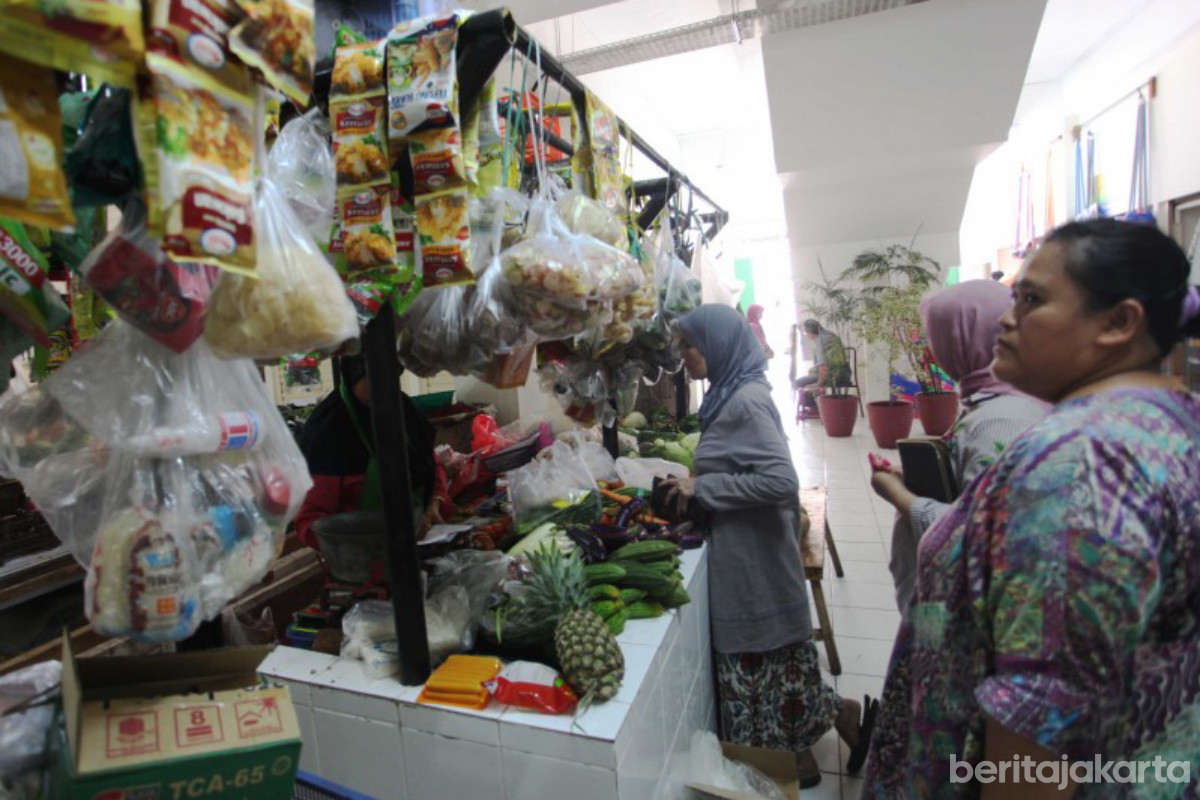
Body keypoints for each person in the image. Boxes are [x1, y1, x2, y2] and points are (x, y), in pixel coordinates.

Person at [862, 218, 1200, 798]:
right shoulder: (1167, 418)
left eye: (1033, 300)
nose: (1007, 317)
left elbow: (1042, 723)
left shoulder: (1076, 466)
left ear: (1118, 323)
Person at [661, 304, 878, 789]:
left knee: (761, 665)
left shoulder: (746, 402)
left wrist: (705, 488)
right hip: (750, 553)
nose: (683, 355)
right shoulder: (727, 393)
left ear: (717, 345)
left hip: (756, 558)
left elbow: (782, 481)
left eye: (689, 345)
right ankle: (811, 747)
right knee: (779, 665)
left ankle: (803, 750)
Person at [870, 280, 1046, 616]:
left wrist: (899, 496)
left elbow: (983, 537)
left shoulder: (1001, 421)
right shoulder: (1002, 400)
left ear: (963, 341)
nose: (932, 351)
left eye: (937, 338)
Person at [294, 353, 449, 549]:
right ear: (353, 375)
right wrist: (362, 543)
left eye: (390, 377)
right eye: (373, 379)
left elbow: (431, 462)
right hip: (361, 560)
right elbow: (309, 520)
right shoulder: (328, 431)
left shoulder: (404, 410)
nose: (383, 387)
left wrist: (434, 502)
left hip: (418, 547)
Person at [794, 319, 850, 418]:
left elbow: (823, 367)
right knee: (811, 372)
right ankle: (817, 406)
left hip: (833, 377)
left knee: (798, 383)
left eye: (805, 332)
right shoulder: (831, 335)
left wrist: (819, 384)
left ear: (810, 331)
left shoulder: (819, 341)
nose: (806, 335)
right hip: (845, 375)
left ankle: (815, 409)